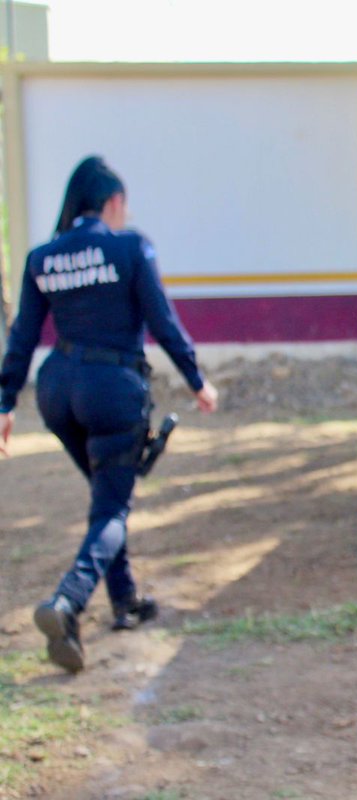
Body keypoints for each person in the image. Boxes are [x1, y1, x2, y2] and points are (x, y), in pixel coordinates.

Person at [0, 155, 219, 674]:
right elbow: (162, 321)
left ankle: (125, 600)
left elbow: (22, 335)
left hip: (57, 392)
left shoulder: (41, 257)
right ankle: (68, 601)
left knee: (107, 499)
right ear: (114, 202)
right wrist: (196, 380)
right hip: (113, 391)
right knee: (112, 509)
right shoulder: (130, 246)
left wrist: (5, 401)